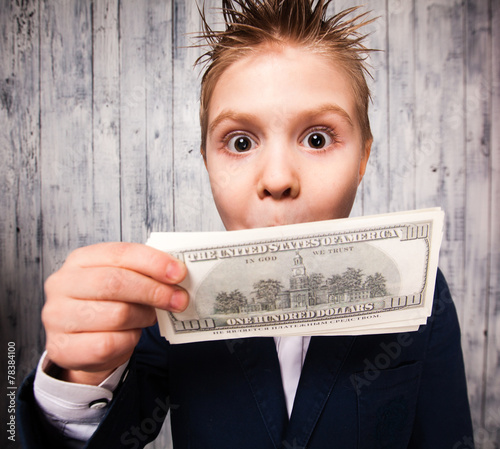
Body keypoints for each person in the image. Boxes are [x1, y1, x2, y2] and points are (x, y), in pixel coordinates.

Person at [18, 1, 474, 448]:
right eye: (240, 142)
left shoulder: (420, 290)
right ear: (208, 165)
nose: (277, 179)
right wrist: (78, 378)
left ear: (363, 159)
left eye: (317, 138)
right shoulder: (168, 303)